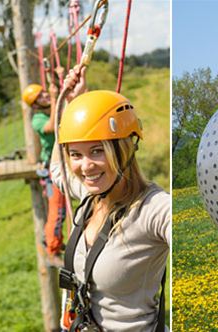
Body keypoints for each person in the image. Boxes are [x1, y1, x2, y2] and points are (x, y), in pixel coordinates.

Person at [50, 66, 170, 332]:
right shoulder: (90, 196)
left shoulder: (153, 209)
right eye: (75, 154)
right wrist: (70, 104)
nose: (85, 166)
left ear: (125, 149)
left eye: (97, 151)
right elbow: (58, 171)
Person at [22, 83, 66, 266]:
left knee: (59, 211)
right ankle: (52, 251)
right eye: (40, 97)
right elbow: (52, 127)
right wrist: (55, 97)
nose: (45, 96)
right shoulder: (38, 119)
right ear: (35, 105)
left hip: (59, 166)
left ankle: (54, 240)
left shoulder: (54, 108)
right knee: (57, 211)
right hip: (50, 170)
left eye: (44, 93)